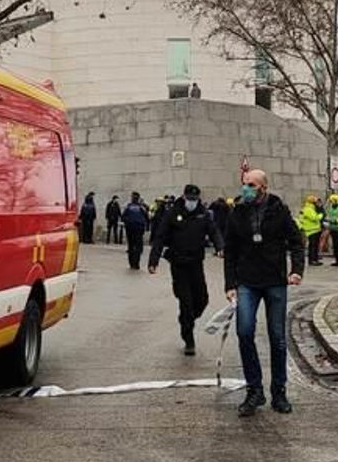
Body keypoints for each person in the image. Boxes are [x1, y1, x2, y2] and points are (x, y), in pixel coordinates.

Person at [224, 168, 305, 416]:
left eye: (251, 185)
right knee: (244, 331)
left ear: (263, 188)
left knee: (277, 337)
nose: (245, 188)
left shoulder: (278, 211)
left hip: (275, 281)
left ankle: (279, 392)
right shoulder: (237, 212)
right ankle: (254, 390)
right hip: (247, 281)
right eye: (244, 184)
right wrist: (230, 284)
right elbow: (230, 251)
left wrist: (296, 270)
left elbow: (296, 241)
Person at [149, 183, 224, 354]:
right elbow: (160, 237)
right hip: (178, 264)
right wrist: (153, 261)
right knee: (186, 301)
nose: (192, 202)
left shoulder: (203, 214)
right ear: (184, 197)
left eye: (195, 199)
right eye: (190, 199)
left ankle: (187, 320)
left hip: (196, 262)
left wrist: (220, 246)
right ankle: (188, 338)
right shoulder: (172, 213)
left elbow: (213, 231)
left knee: (202, 299)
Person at [122, 191, 151, 269]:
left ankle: (132, 263)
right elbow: (147, 217)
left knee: (131, 246)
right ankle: (136, 263)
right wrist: (147, 227)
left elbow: (123, 217)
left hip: (130, 229)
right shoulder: (141, 207)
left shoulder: (128, 206)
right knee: (137, 247)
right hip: (138, 229)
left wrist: (127, 223)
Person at [297, 194, 324, 266]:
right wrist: (321, 215)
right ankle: (312, 260)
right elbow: (314, 218)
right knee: (313, 246)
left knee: (314, 246)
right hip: (312, 230)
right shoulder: (309, 209)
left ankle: (315, 259)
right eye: (315, 202)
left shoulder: (308, 208)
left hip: (313, 230)